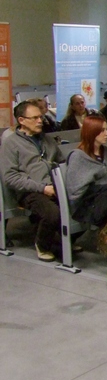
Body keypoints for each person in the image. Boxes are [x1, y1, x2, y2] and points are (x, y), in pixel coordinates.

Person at [0, 101, 65, 262]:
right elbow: (10, 177)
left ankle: (64, 239)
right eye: (35, 117)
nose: (40, 121)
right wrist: (43, 188)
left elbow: (62, 161)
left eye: (41, 117)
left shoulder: (47, 140)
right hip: (30, 190)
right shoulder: (11, 143)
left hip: (54, 185)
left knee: (83, 204)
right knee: (52, 213)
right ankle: (42, 245)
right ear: (22, 120)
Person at [65, 115, 107, 253]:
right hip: (87, 204)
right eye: (103, 130)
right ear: (92, 132)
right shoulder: (78, 156)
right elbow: (75, 191)